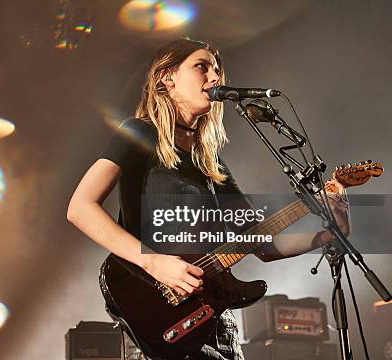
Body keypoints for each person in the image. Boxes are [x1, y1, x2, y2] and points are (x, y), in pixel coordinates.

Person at [67, 38, 350, 359]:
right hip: (156, 312)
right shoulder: (140, 133)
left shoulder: (211, 161)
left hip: (217, 322)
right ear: (166, 78)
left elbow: (264, 247)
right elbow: (80, 207)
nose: (215, 77)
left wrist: (330, 230)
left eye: (217, 70)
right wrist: (153, 261)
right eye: (202, 67)